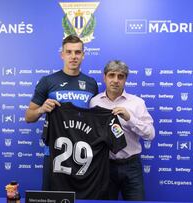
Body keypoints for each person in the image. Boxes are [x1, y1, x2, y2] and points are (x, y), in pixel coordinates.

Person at [25, 35, 98, 190]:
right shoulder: (48, 81)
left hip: (82, 153)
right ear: (62, 55)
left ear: (83, 55)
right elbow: (28, 117)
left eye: (77, 52)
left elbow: (95, 119)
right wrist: (41, 109)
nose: (73, 57)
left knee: (81, 197)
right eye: (69, 52)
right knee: (51, 198)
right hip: (54, 152)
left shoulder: (91, 84)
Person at [89, 60, 155, 200]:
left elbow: (150, 134)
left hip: (131, 166)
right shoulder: (94, 102)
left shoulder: (137, 103)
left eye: (120, 76)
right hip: (104, 166)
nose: (115, 80)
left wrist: (130, 118)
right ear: (104, 77)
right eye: (111, 75)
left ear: (125, 79)